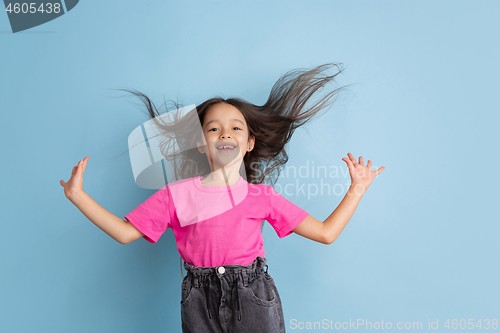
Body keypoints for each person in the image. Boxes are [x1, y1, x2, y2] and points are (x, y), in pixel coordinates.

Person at [60, 63, 385, 333]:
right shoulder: (176, 195)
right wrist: (77, 196)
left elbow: (327, 234)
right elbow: (124, 232)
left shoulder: (262, 197)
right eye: (213, 129)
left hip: (253, 296)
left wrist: (357, 188)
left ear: (249, 143)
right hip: (199, 299)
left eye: (235, 128)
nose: (225, 133)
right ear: (201, 143)